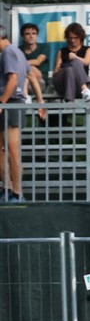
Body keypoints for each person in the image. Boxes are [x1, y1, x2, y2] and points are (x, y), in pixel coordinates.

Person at [0, 26, 29, 203]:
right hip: (11, 101)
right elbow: (28, 75)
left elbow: (13, 79)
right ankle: (8, 187)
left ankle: (16, 191)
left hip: (10, 103)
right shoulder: (16, 51)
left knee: (12, 150)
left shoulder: (8, 52)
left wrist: (2, 101)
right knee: (6, 150)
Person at [50, 22, 90, 102]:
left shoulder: (88, 49)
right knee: (69, 69)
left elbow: (87, 62)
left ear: (81, 37)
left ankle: (70, 102)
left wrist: (76, 57)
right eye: (70, 38)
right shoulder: (62, 51)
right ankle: (85, 90)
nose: (73, 40)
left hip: (77, 86)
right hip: (62, 84)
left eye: (76, 38)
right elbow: (56, 71)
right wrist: (65, 67)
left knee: (72, 67)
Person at [19, 23, 47, 105]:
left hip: (40, 83)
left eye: (34, 33)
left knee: (31, 69)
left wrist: (23, 63)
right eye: (27, 34)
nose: (31, 36)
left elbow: (38, 61)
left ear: (37, 35)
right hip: (23, 83)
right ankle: (25, 97)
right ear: (23, 36)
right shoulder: (19, 50)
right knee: (26, 77)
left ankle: (26, 97)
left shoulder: (44, 47)